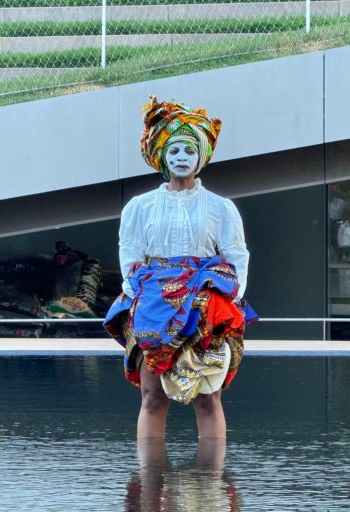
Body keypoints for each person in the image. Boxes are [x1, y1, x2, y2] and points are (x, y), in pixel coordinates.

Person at [104, 95, 257, 439]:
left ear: (201, 158)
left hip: (205, 305)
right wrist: (138, 297)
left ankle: (213, 484)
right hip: (152, 304)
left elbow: (236, 255)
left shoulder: (221, 208)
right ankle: (149, 484)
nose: (181, 159)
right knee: (152, 397)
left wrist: (231, 299)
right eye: (174, 151)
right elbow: (130, 255)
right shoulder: (139, 207)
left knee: (208, 397)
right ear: (162, 157)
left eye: (189, 151)